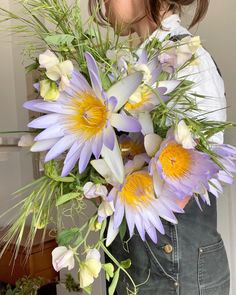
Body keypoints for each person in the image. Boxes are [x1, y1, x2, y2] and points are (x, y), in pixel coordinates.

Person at [88, 1, 230, 294]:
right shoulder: (134, 63)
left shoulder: (189, 60)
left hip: (175, 270)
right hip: (145, 264)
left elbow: (189, 185)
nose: (102, 3)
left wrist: (110, 188)